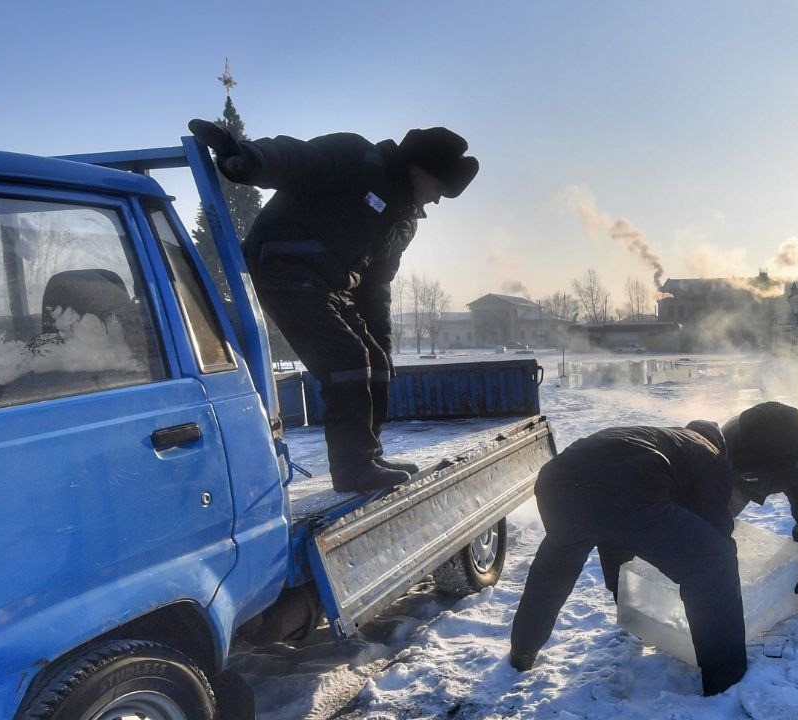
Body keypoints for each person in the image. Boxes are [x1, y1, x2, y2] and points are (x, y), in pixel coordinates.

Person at [187, 119, 478, 493]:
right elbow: (294, 158)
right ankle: (352, 469)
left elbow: (376, 286)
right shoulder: (356, 158)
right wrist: (244, 157)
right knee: (346, 360)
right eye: (439, 188)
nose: (436, 199)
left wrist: (382, 346)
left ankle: (367, 457)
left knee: (373, 363)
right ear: (418, 168)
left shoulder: (402, 221)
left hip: (329, 285)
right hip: (281, 266)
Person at [508, 424, 747, 696]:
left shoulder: (659, 437)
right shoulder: (710, 454)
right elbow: (714, 527)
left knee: (554, 571)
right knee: (715, 564)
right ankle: (726, 680)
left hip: (557, 486)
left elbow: (615, 525)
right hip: (625, 488)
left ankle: (522, 651)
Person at [718, 402, 798, 615]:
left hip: (795, 476)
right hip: (740, 480)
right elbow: (701, 509)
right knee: (716, 522)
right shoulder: (726, 445)